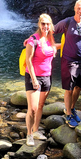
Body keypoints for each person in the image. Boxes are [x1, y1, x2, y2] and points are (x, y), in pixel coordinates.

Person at [54, 0, 81, 128]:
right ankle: (68, 114)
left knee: (78, 87)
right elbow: (49, 31)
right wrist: (34, 39)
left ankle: (72, 108)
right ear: (74, 8)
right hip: (68, 60)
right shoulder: (67, 22)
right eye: (79, 8)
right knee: (69, 88)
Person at [24, 14, 58, 146]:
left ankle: (36, 130)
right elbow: (28, 61)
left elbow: (55, 46)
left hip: (47, 76)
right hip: (34, 77)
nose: (45, 26)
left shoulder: (50, 38)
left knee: (40, 106)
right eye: (43, 24)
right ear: (39, 24)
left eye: (47, 24)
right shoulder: (33, 40)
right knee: (32, 108)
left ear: (51, 25)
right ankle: (29, 134)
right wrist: (34, 80)